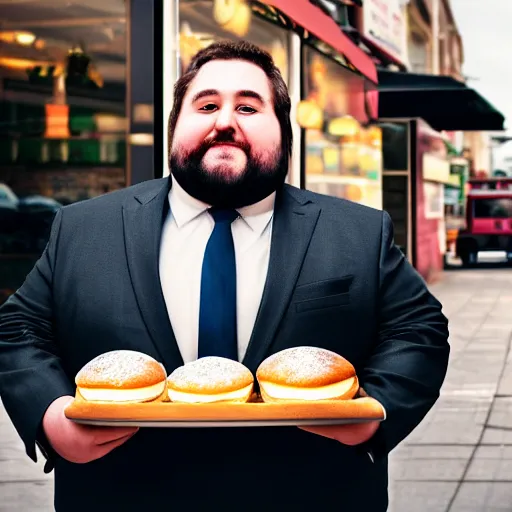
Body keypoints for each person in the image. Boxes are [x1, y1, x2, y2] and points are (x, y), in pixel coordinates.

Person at [0, 40, 449, 511]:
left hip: (313, 494)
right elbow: (18, 328)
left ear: (284, 133)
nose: (225, 121)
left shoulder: (358, 232)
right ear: (176, 127)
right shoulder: (84, 227)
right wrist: (51, 417)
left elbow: (418, 330)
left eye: (249, 107)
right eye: (208, 104)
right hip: (120, 494)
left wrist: (376, 411)